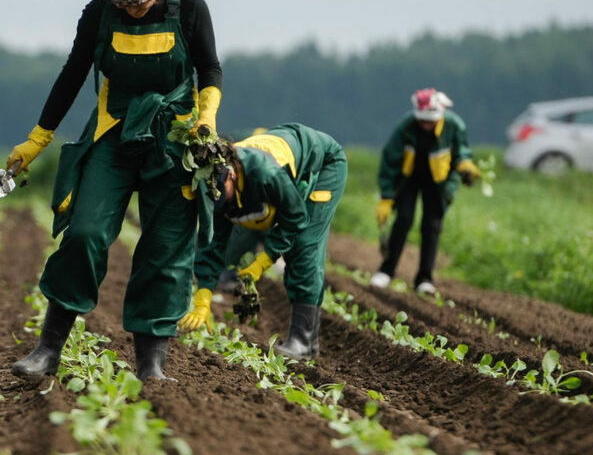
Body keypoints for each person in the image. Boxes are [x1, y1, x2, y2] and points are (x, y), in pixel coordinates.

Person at [6, 0, 223, 381]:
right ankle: (48, 349)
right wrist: (37, 138)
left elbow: (210, 68)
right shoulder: (99, 12)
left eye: (141, 5)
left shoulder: (190, 7)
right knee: (85, 233)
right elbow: (73, 73)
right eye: (125, 8)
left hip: (176, 139)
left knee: (164, 249)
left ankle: (151, 366)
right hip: (114, 131)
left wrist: (207, 119)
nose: (133, 13)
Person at [178, 124, 348, 358]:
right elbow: (213, 242)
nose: (218, 200)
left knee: (304, 245)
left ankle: (303, 341)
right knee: (291, 242)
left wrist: (263, 261)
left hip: (324, 163)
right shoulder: (216, 185)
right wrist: (203, 295)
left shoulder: (265, 174)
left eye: (220, 193)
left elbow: (295, 218)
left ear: (231, 175)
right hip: (286, 159)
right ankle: (307, 343)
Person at [371, 87, 480, 294]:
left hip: (438, 181)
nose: (426, 125)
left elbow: (461, 152)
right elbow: (390, 159)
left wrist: (465, 166)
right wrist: (386, 195)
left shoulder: (454, 126)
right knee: (403, 219)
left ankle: (424, 279)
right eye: (422, 121)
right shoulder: (406, 126)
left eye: (431, 121)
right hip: (409, 178)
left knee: (432, 225)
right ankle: (386, 271)